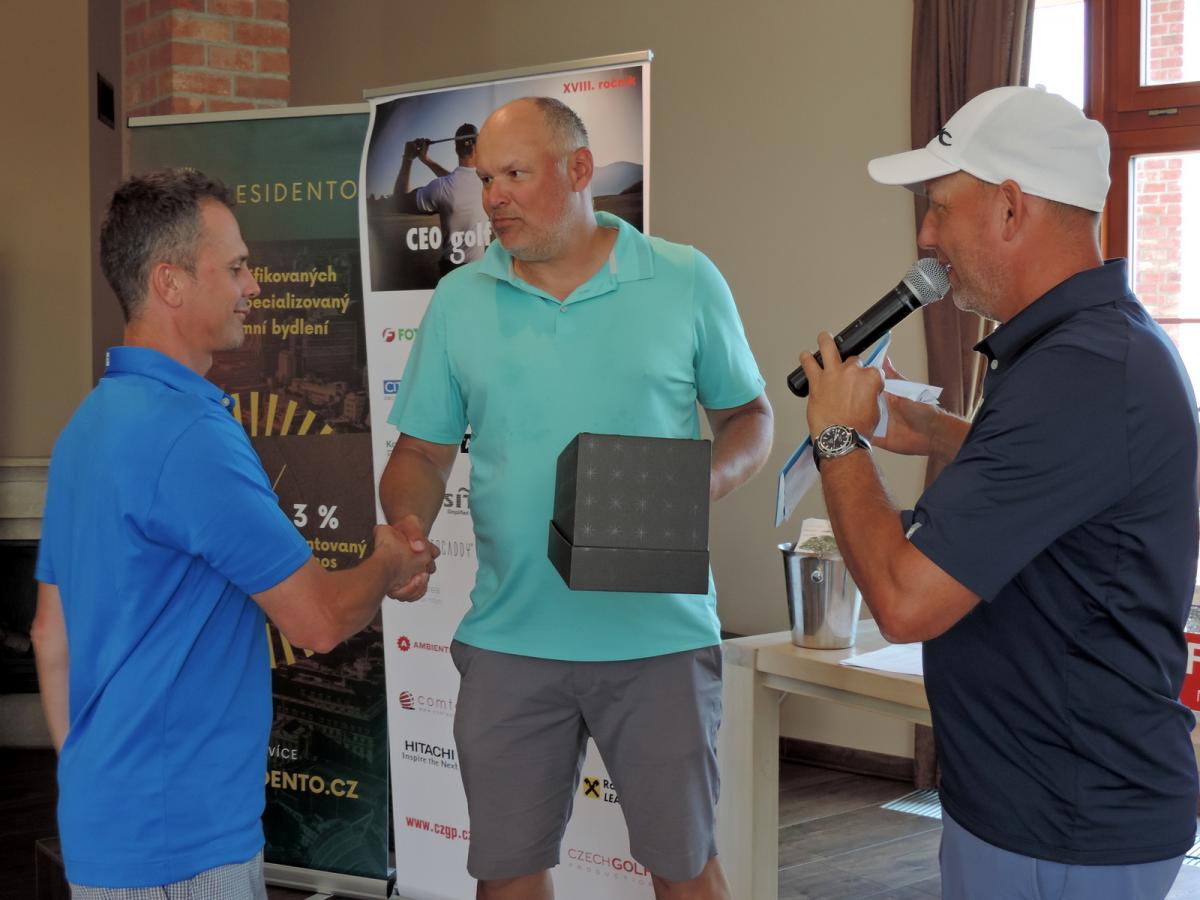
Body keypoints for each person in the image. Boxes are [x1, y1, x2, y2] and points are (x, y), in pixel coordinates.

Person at [799, 86, 1199, 900]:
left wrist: (837, 438)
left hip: (1065, 821)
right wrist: (930, 429)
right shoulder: (1088, 348)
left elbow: (905, 602)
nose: (926, 235)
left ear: (1011, 209)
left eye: (940, 207)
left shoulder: (1079, 373)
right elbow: (1063, 488)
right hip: (1045, 806)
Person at [378, 97, 773, 900]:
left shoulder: (685, 278)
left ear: (580, 169)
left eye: (515, 175)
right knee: (507, 875)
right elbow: (420, 452)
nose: (493, 197)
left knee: (686, 870)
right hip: (510, 640)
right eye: (486, 178)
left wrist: (699, 482)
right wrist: (409, 523)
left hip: (659, 639)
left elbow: (750, 419)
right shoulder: (459, 300)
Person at [30, 168, 436, 898]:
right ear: (170, 282)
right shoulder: (191, 434)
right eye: (237, 267)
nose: (254, 286)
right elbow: (318, 620)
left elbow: (48, 635)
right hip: (185, 843)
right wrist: (386, 558)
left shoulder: (84, 428)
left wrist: (95, 783)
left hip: (102, 829)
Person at [393, 123, 489, 276]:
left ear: (456, 149)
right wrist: (426, 160)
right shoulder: (487, 181)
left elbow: (399, 202)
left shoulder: (442, 187)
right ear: (478, 148)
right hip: (480, 269)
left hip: (451, 270)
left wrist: (408, 158)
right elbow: (459, 182)